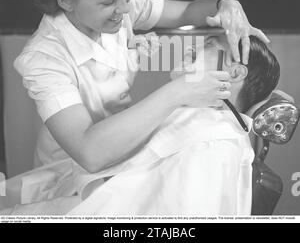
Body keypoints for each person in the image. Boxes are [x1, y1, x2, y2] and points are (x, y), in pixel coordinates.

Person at [13, 0, 269, 205]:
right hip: (73, 178)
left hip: (129, 163)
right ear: (65, 1)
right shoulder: (44, 58)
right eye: (109, 2)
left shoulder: (123, 2)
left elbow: (187, 12)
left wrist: (227, 4)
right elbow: (90, 152)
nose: (124, 8)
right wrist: (180, 92)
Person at [67, 34, 280, 216]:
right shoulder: (189, 123)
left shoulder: (210, 149)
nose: (189, 48)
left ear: (233, 73)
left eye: (208, 45)